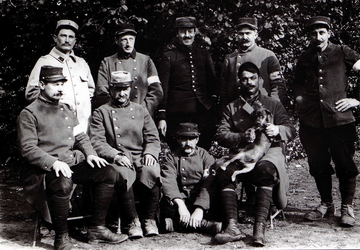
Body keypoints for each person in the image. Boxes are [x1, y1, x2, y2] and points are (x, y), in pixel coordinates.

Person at [17, 66, 128, 250]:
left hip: (70, 163)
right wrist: (54, 162)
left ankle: (97, 229)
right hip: (44, 170)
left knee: (108, 172)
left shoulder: (66, 109)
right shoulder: (29, 113)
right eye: (54, 84)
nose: (60, 88)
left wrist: (90, 154)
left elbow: (81, 137)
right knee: (63, 182)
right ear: (42, 84)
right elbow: (27, 148)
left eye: (62, 83)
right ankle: (61, 237)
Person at [213, 62, 295, 246]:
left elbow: (291, 130)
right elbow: (220, 135)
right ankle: (232, 226)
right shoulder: (232, 107)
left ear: (259, 80)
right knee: (224, 172)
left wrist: (278, 129)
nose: (249, 82)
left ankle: (259, 229)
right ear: (239, 82)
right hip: (242, 152)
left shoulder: (273, 104)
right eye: (244, 79)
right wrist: (241, 136)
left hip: (268, 152)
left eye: (252, 78)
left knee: (266, 170)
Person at [292, 16, 360, 227]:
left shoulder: (342, 52)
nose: (318, 37)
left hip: (340, 120)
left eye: (322, 32)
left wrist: (356, 99)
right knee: (318, 164)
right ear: (309, 36)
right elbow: (296, 84)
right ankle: (325, 204)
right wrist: (299, 99)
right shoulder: (304, 57)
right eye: (313, 33)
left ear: (329, 33)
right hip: (312, 122)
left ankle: (347, 206)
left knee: (345, 164)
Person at [90, 71, 161, 238]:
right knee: (122, 174)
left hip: (139, 155)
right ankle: (133, 221)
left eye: (125, 89)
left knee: (152, 170)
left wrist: (150, 152)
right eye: (117, 89)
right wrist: (116, 156)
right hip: (117, 157)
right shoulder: (101, 112)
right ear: (110, 90)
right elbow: (97, 142)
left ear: (130, 89)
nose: (121, 93)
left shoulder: (140, 110)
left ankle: (149, 219)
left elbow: (152, 136)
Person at [156, 16, 219, 150]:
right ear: (177, 33)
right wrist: (162, 116)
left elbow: (212, 82)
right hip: (177, 113)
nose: (187, 35)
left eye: (190, 31)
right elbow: (163, 89)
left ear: (195, 32)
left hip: (202, 111)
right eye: (183, 32)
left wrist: (212, 104)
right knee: (179, 149)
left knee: (203, 147)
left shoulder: (203, 54)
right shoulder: (169, 56)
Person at [26, 20, 94, 133]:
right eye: (63, 36)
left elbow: (90, 91)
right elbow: (31, 93)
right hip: (56, 124)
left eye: (71, 37)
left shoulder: (81, 63)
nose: (67, 40)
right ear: (55, 38)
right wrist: (55, 105)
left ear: (75, 41)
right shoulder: (45, 61)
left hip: (83, 126)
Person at [160, 122, 222, 234]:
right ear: (178, 140)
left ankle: (177, 224)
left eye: (192, 139)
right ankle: (204, 225)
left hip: (201, 198)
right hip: (182, 199)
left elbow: (210, 182)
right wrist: (181, 206)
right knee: (166, 209)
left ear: (197, 139)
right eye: (184, 139)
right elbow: (169, 181)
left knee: (218, 204)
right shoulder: (172, 157)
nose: (188, 143)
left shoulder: (205, 156)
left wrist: (200, 208)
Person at [219, 17, 286, 114]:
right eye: (241, 34)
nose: (244, 37)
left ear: (255, 34)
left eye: (248, 33)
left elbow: (278, 85)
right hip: (236, 113)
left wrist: (272, 108)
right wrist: (225, 111)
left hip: (262, 110)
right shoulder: (230, 58)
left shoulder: (268, 55)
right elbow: (223, 89)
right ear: (236, 35)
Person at [95, 23, 163, 117]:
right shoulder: (107, 62)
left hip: (141, 115)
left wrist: (144, 109)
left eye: (131, 39)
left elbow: (156, 91)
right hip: (116, 116)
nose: (128, 43)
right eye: (124, 40)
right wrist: (114, 111)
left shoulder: (146, 61)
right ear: (117, 41)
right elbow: (101, 92)